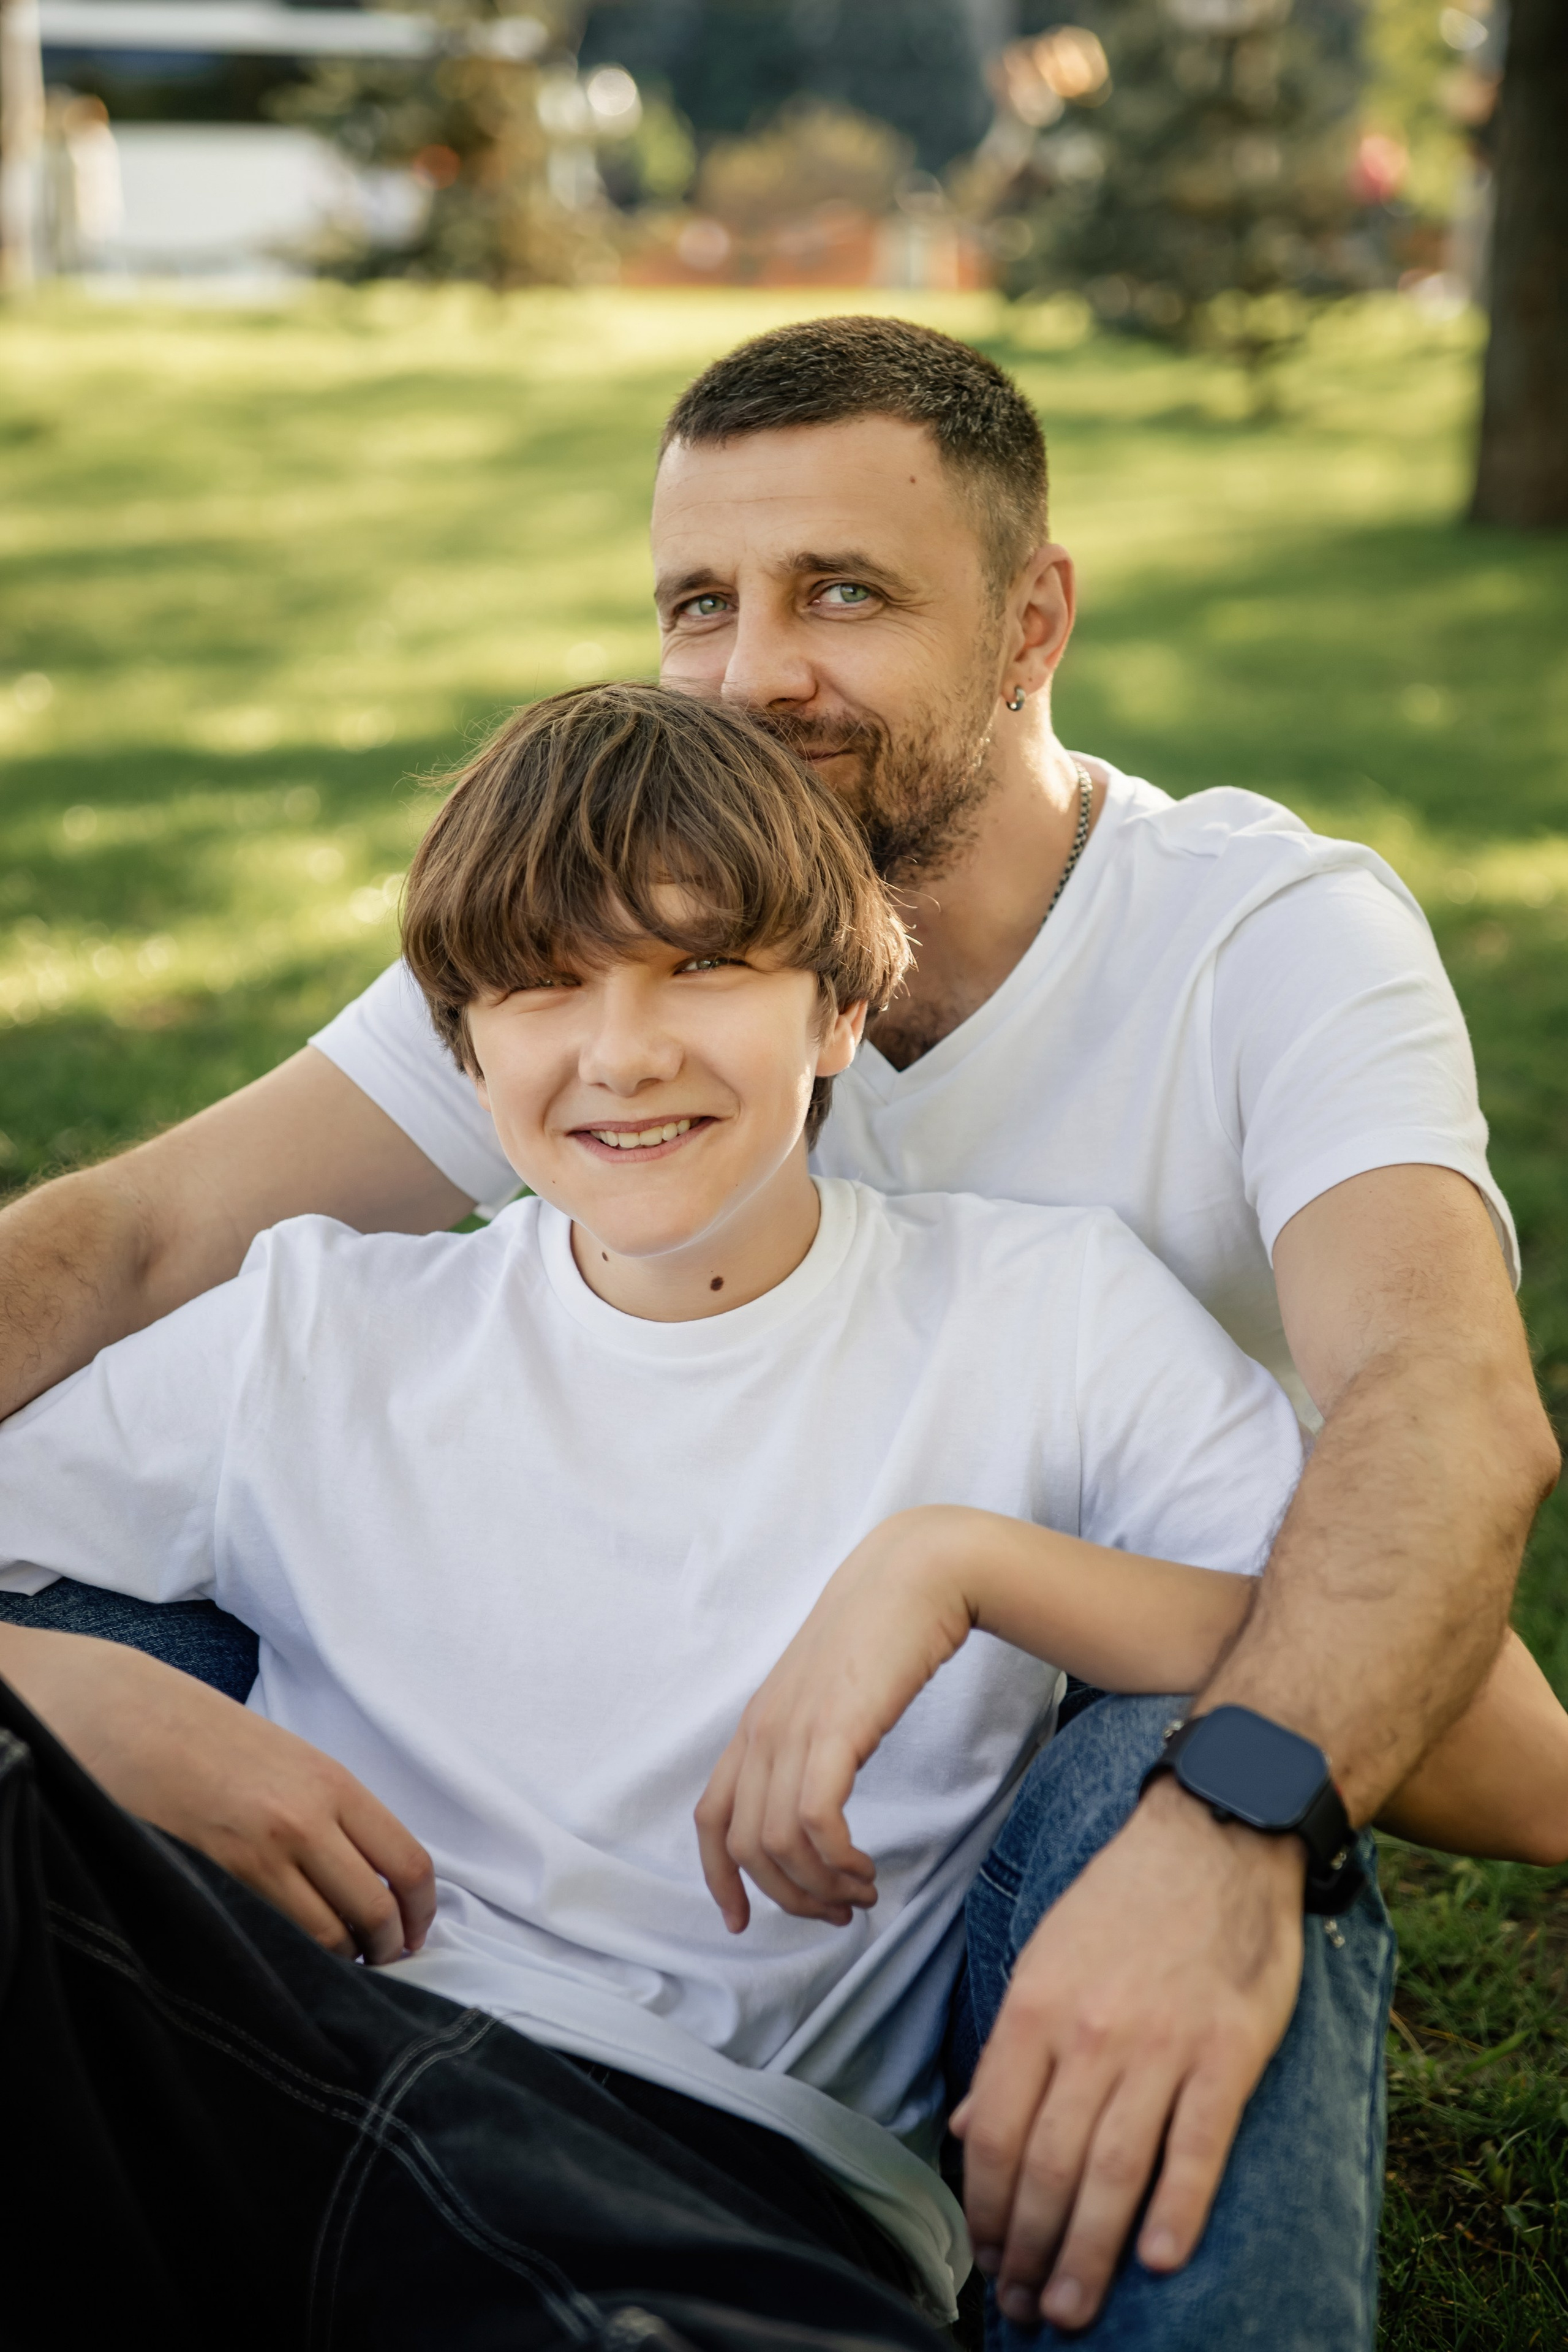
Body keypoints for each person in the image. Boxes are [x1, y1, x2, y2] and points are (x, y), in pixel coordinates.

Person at [0, 319, 1557, 2337]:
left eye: (841, 592)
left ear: (1032, 619)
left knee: (1207, 1759)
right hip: (375, 1974)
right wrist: (75, 1693)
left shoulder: (1256, 954)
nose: (752, 675)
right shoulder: (611, 950)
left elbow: (1441, 1416)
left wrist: (1204, 1791)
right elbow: (135, 1243)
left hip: (1007, 1777)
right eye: (698, 605)